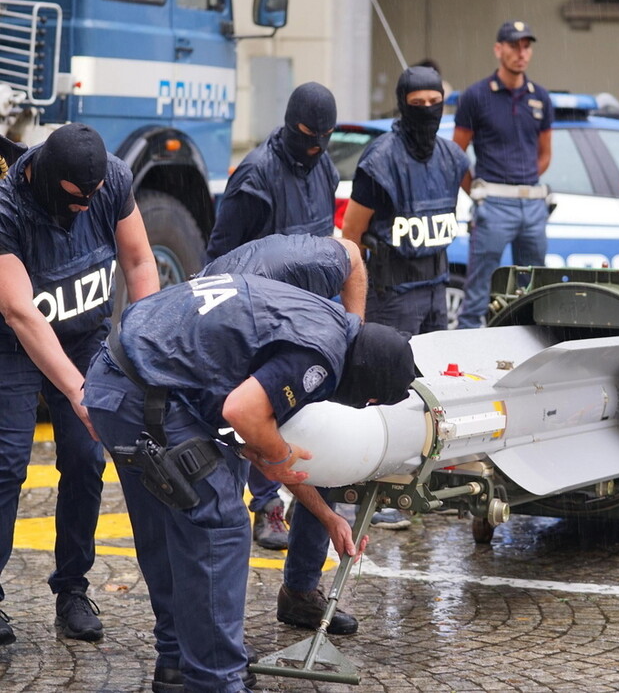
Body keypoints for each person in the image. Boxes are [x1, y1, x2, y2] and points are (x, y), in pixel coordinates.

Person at [82, 233, 415, 693]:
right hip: (150, 394)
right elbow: (246, 417)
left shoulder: (328, 318)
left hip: (116, 378)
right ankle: (217, 680)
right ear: (368, 394)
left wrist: (325, 514)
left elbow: (261, 444)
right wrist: (278, 458)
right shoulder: (320, 354)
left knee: (168, 525)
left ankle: (178, 664)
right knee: (218, 526)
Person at [0, 124, 159, 646]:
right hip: (12, 345)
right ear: (48, 180)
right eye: (75, 198)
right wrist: (78, 390)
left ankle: (72, 588)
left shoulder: (111, 179)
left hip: (86, 335)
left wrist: (144, 347)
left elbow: (138, 261)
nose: (86, 208)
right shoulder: (7, 206)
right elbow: (19, 311)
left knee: (88, 459)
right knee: (6, 466)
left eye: (93, 198)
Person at [206, 82, 338, 551]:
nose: (315, 145)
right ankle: (266, 506)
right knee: (257, 414)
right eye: (306, 134)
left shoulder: (325, 167)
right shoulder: (256, 175)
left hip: (312, 315)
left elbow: (327, 239)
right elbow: (220, 254)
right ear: (289, 124)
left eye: (324, 136)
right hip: (259, 316)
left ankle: (310, 500)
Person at [342, 64, 468, 528]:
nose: (428, 112)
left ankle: (419, 483)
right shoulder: (379, 162)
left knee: (429, 392)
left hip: (434, 289)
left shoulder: (454, 159)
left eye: (436, 104)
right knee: (379, 395)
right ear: (402, 105)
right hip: (391, 294)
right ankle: (367, 495)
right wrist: (354, 305)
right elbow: (351, 235)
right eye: (418, 105)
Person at [454, 20, 553, 329]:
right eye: (513, 45)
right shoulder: (476, 96)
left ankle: (529, 352)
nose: (520, 53)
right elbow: (457, 155)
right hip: (492, 204)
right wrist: (481, 193)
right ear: (498, 50)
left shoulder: (541, 97)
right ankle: (465, 360)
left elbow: (546, 153)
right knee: (478, 292)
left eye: (526, 46)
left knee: (533, 288)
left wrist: (522, 180)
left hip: (532, 205)